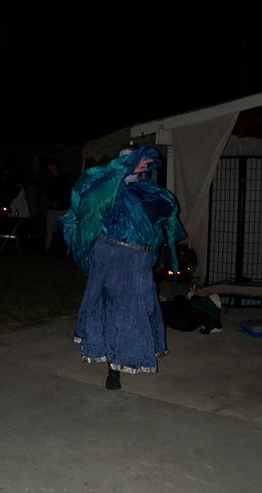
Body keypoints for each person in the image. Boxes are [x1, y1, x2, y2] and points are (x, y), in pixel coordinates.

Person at [60, 146, 186, 390]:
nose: (132, 163)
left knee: (135, 310)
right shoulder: (106, 190)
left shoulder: (156, 194)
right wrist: (123, 170)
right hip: (110, 256)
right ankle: (113, 368)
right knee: (111, 309)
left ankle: (127, 356)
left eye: (134, 158)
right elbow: (86, 195)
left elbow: (163, 226)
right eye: (125, 159)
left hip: (139, 260)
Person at [42, 159, 71, 253]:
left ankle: (69, 251)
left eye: (49, 166)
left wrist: (60, 202)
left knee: (65, 232)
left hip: (63, 210)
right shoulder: (49, 178)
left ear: (54, 166)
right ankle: (45, 250)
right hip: (52, 210)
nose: (48, 168)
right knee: (49, 231)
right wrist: (47, 201)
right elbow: (47, 193)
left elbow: (67, 193)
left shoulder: (63, 178)